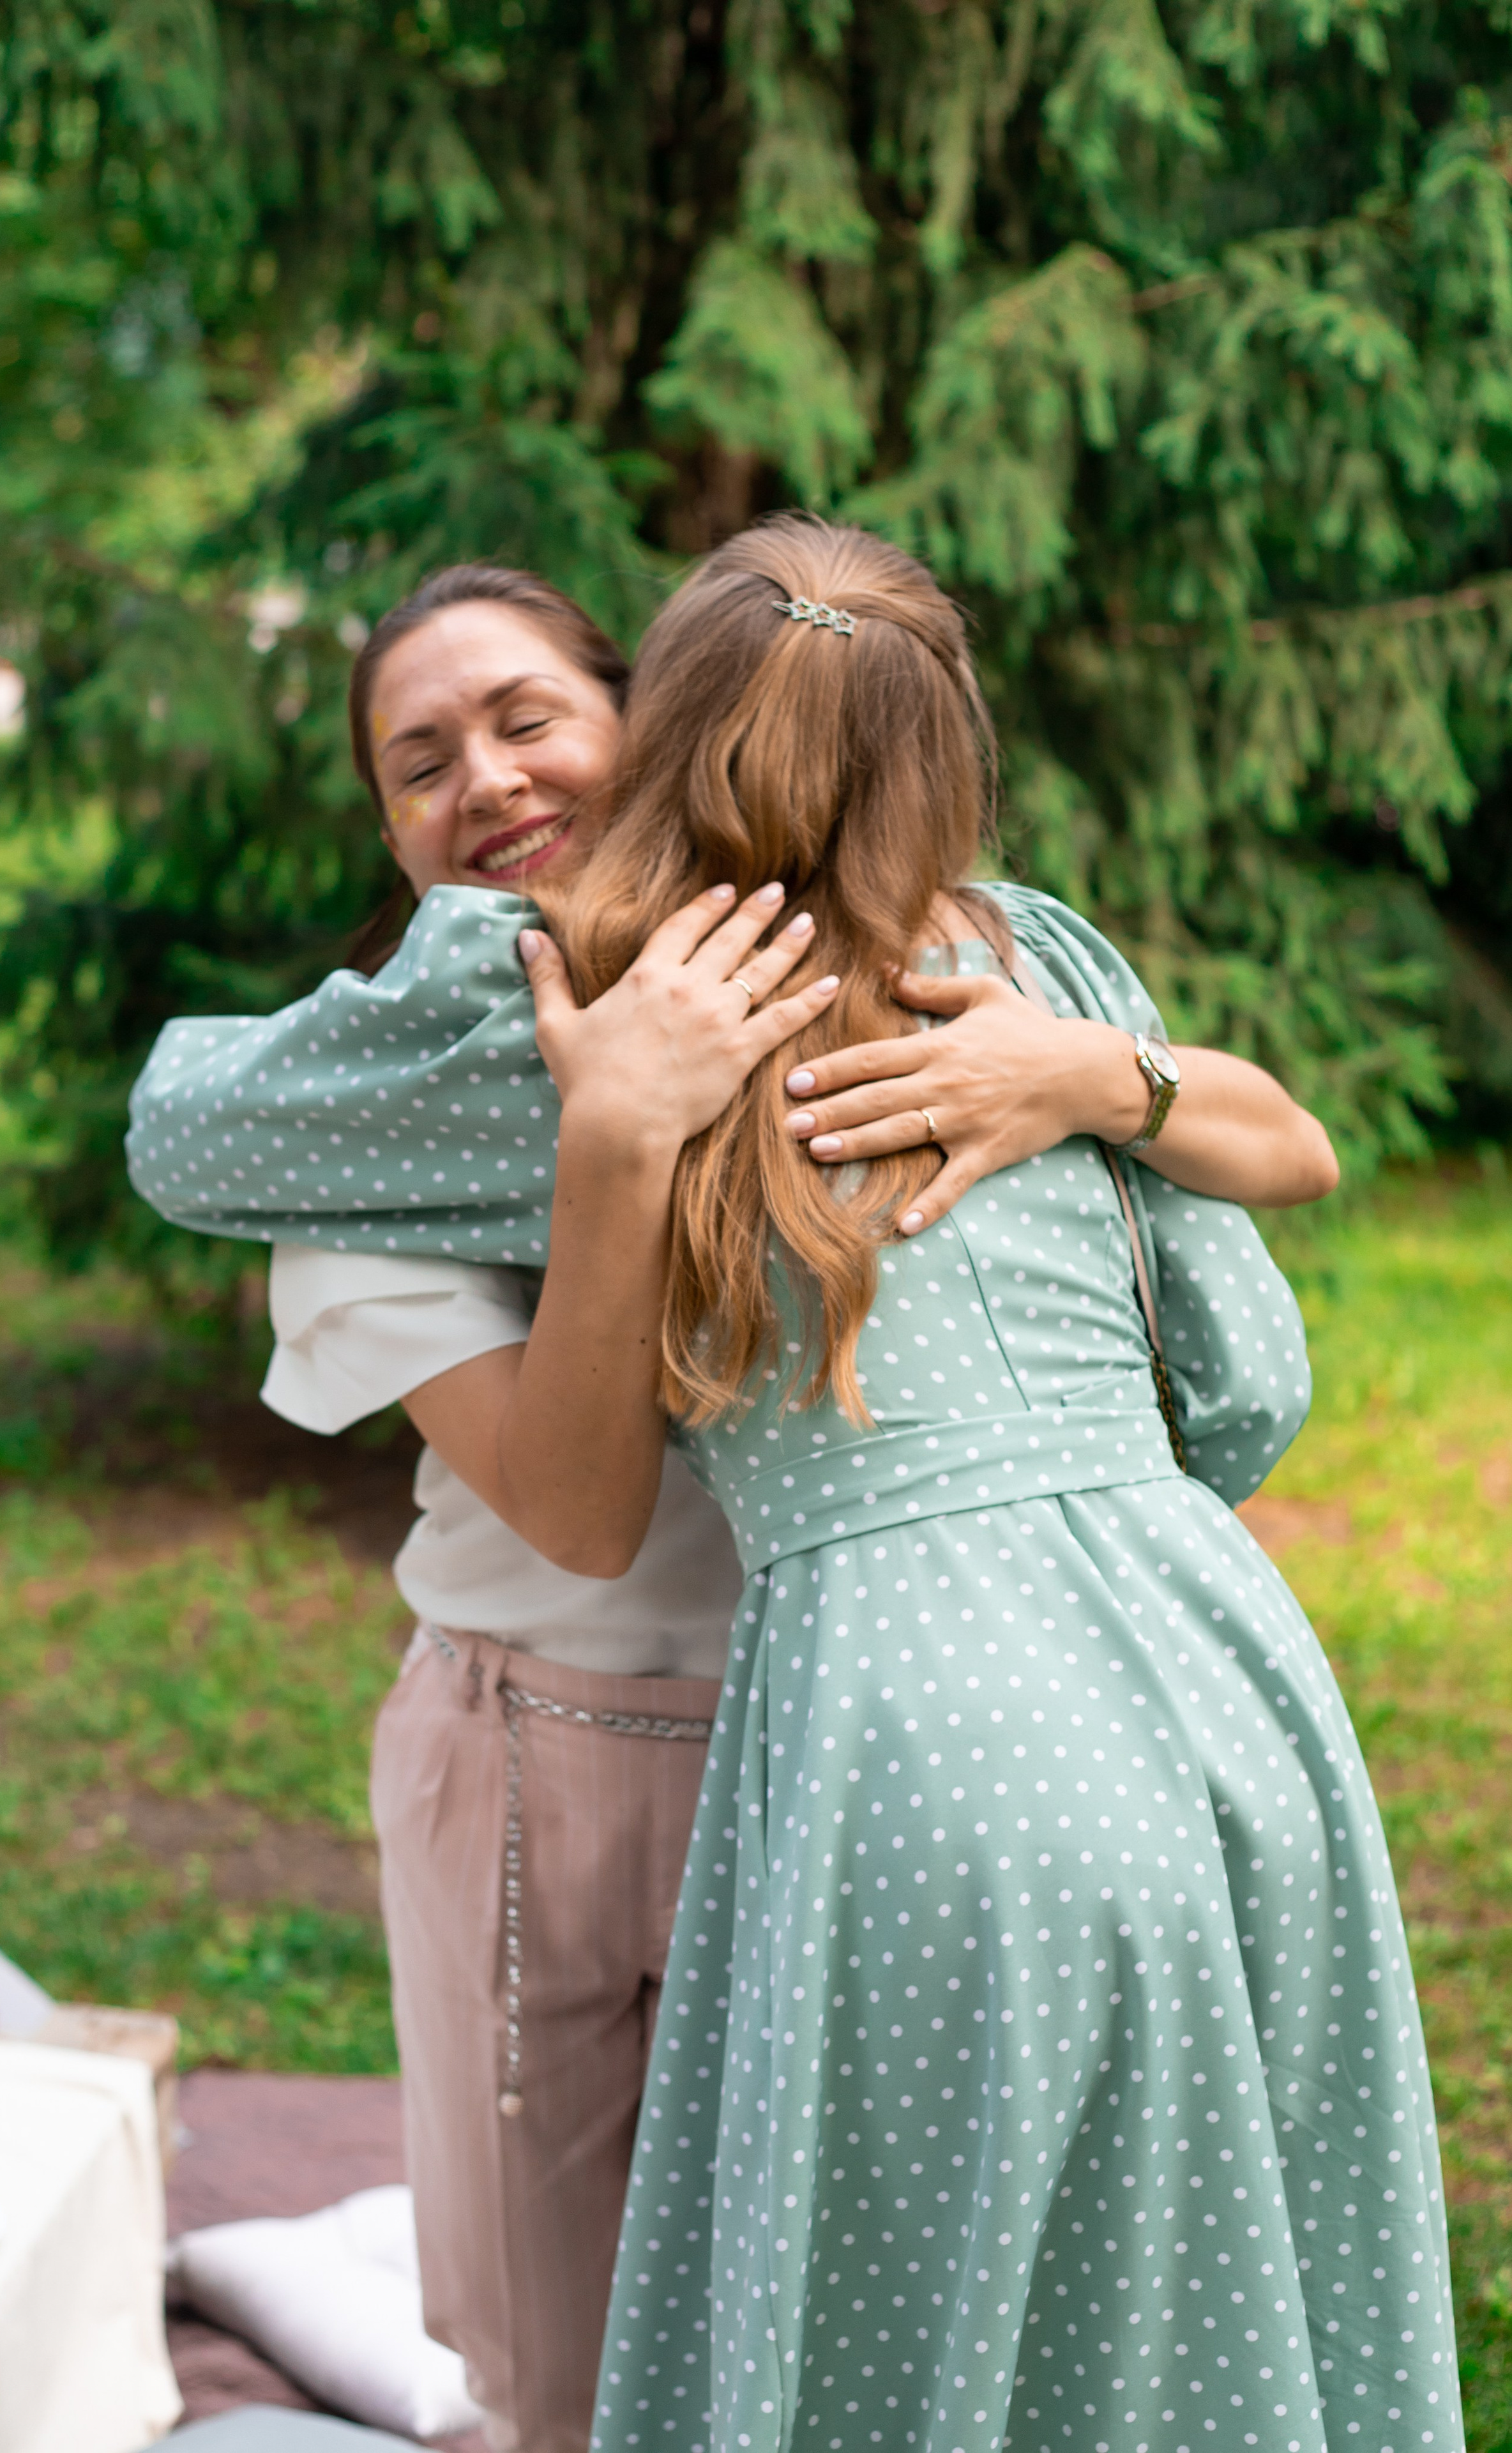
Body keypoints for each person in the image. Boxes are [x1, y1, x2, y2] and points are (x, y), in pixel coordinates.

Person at [126, 549, 1363, 2453]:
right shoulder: (481, 1054)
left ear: (650, 721)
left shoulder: (984, 974)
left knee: (834, 2315)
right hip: (614, 1740)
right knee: (665, 2338)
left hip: (854, 1746)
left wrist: (1091, 1075)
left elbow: (1269, 1175)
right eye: (420, 760)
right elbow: (1238, 1381)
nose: (489, 780)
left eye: (530, 718)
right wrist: (623, 1133)